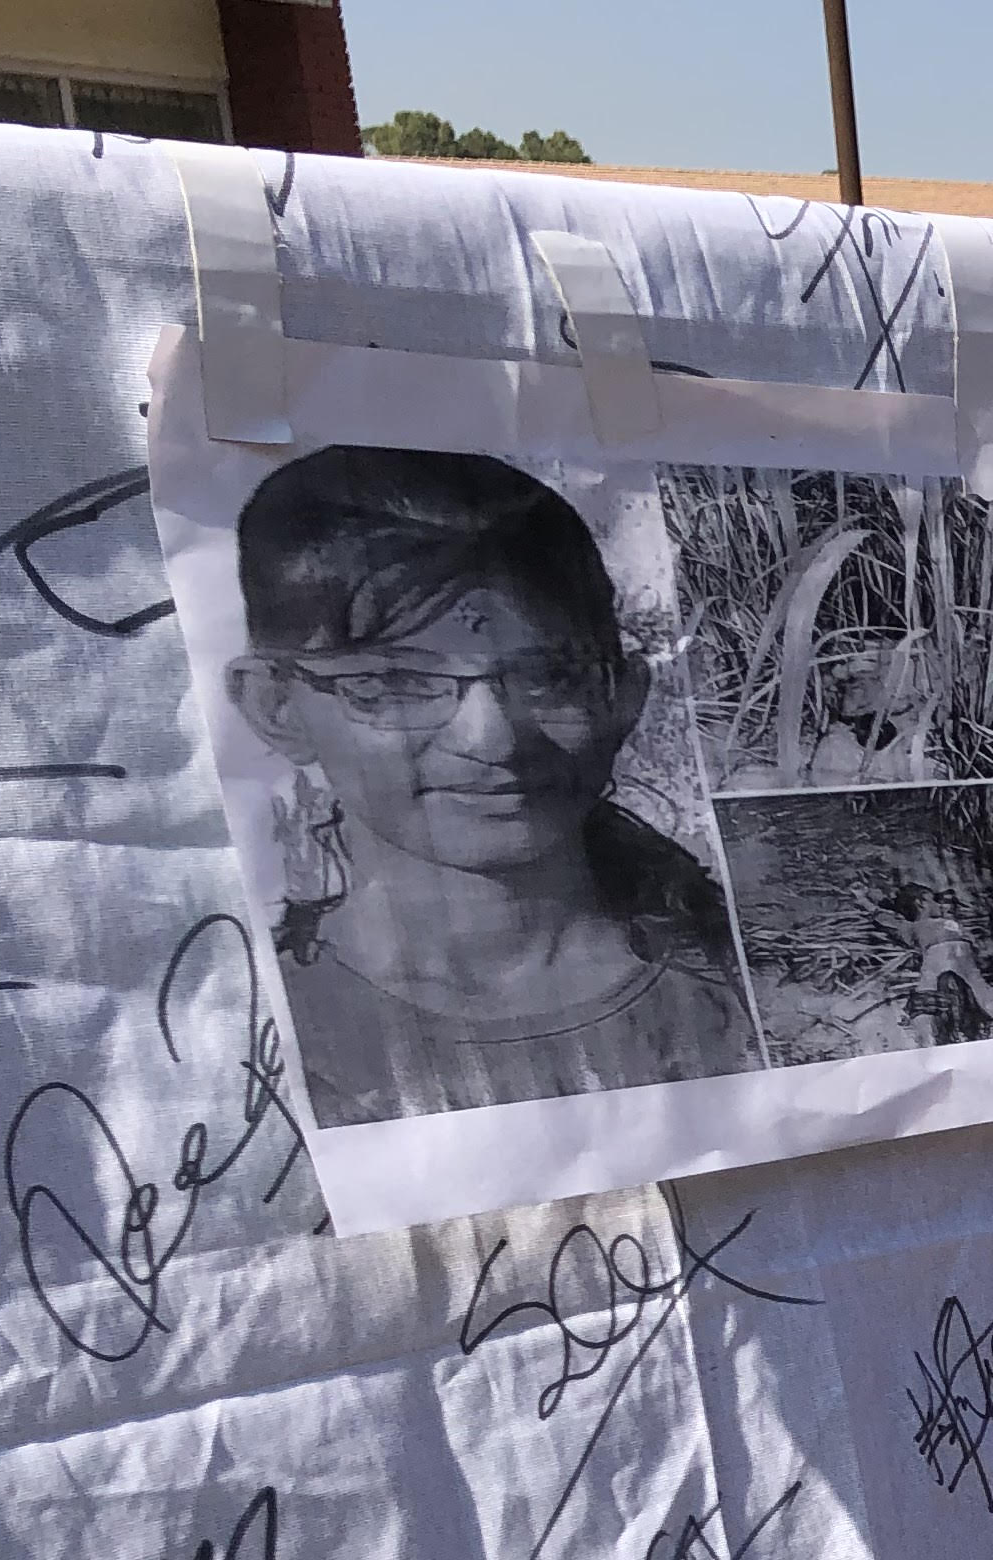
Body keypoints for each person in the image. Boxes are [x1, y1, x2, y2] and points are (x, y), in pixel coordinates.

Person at [229, 447, 763, 1126]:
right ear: (276, 707)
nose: (494, 739)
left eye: (550, 676)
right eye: (396, 682)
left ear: (625, 694)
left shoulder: (750, 976)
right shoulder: (245, 1032)